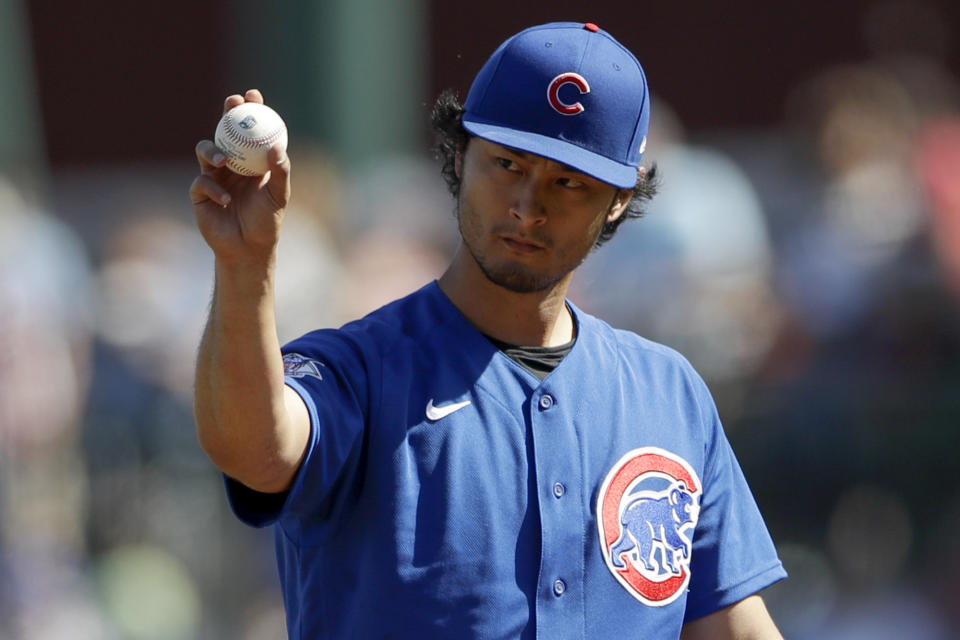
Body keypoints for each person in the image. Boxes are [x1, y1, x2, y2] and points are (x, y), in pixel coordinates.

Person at [190, 21, 786, 639]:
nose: (528, 205)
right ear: (457, 155)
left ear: (617, 199)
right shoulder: (360, 369)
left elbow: (734, 627)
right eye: (506, 164)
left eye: (569, 182)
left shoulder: (669, 393)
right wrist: (244, 266)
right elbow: (254, 451)